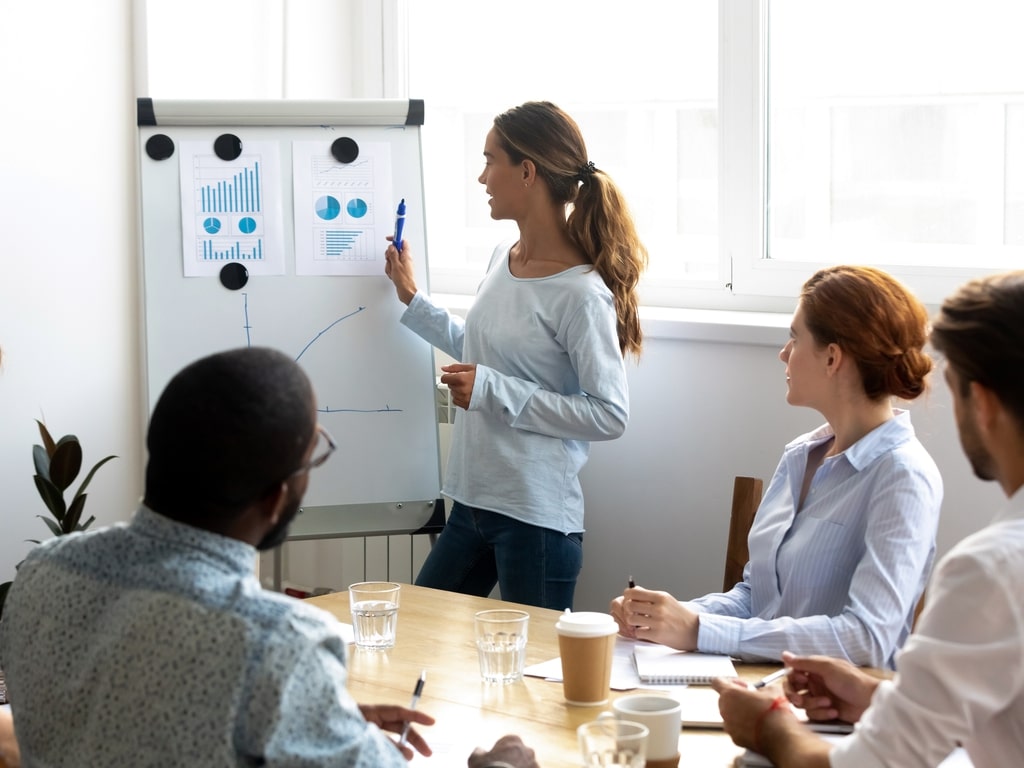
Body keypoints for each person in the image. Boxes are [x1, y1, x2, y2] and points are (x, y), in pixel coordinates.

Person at [0, 347, 539, 768]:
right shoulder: (275, 645)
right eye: (314, 452)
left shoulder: (43, 573)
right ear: (277, 496)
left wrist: (314, 719)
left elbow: (121, 717)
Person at [712, 270, 1024, 767]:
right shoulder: (800, 455)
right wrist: (880, 695)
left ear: (982, 402)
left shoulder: (991, 570)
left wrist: (767, 726)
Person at [383, 101, 647, 610]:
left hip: (536, 518)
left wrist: (490, 390)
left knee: (537, 683)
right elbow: (489, 354)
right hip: (472, 504)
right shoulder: (502, 260)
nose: (481, 178)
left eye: (490, 161)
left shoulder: (582, 293)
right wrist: (413, 300)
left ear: (527, 172)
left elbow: (609, 414)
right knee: (420, 636)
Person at [611, 265, 943, 669]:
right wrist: (662, 616)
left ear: (833, 357)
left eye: (794, 337)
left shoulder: (903, 477)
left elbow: (867, 638)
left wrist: (699, 630)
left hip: (834, 716)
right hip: (757, 686)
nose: (784, 353)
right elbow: (758, 598)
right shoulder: (800, 456)